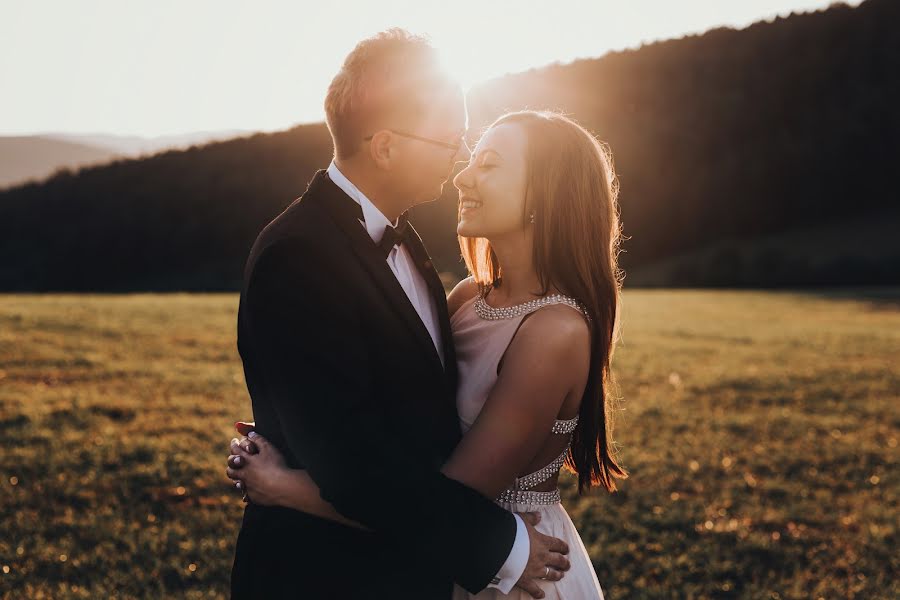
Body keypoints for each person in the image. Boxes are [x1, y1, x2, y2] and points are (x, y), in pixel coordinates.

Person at [227, 29, 573, 600]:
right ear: (386, 146)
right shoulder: (299, 255)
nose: (460, 165)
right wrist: (502, 548)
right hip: (324, 576)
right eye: (450, 142)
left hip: (408, 569)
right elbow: (356, 467)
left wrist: (286, 475)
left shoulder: (404, 239)